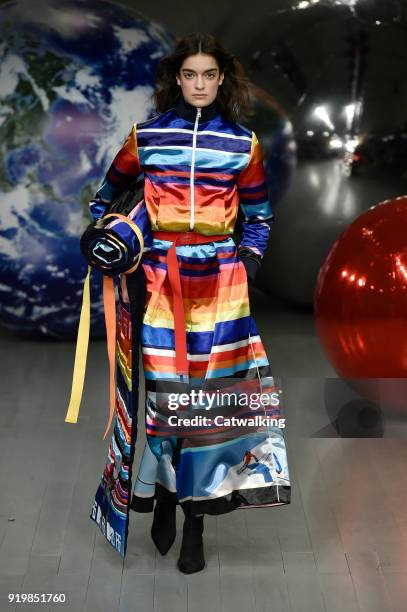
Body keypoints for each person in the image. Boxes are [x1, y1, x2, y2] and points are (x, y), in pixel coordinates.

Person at [89, 32, 291, 574]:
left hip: (221, 290)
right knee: (162, 401)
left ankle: (194, 520)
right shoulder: (147, 136)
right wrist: (118, 234)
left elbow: (261, 218)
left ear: (221, 79)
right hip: (157, 284)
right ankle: (163, 497)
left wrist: (244, 264)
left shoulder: (242, 144)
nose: (199, 84)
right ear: (176, 79)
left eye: (208, 75)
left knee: (208, 407)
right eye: (189, 75)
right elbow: (103, 199)